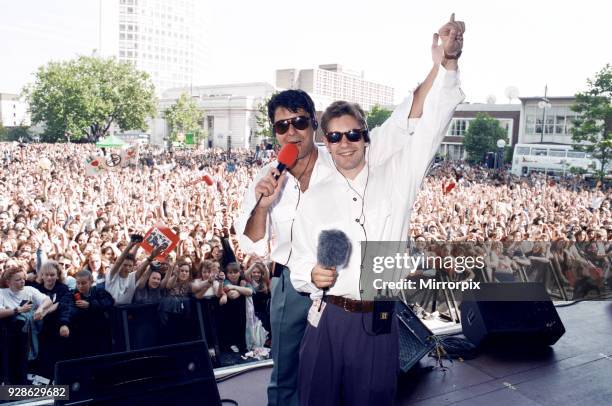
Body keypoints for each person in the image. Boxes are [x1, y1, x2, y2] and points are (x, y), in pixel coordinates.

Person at [235, 19, 461, 403]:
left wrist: (441, 65)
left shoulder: (339, 160)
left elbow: (408, 119)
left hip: (354, 295)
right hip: (294, 281)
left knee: (349, 383)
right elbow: (253, 237)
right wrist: (263, 203)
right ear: (274, 132)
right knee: (287, 375)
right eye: (282, 126)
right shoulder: (267, 176)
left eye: (300, 123)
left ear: (313, 127)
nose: (292, 132)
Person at [0, 266, 53, 384]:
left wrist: (40, 309)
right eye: (18, 279)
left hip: (32, 332)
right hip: (10, 337)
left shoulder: (29, 290)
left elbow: (48, 300)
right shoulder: (2, 293)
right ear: (8, 282)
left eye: (23, 278)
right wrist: (17, 310)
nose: (22, 281)